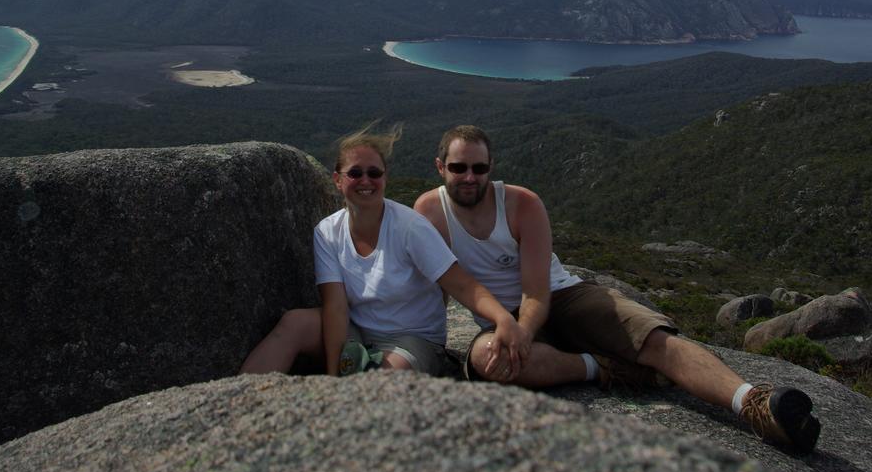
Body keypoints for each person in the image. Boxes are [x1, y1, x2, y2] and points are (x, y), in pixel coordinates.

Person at [414, 125, 822, 453]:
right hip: (502, 317)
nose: (469, 178)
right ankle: (604, 367)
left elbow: (537, 290)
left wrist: (522, 330)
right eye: (459, 168)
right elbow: (440, 284)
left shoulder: (522, 205)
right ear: (440, 167)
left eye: (479, 168)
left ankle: (754, 403)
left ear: (491, 167)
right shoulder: (429, 211)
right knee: (488, 360)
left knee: (651, 335)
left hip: (561, 297)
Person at [241, 123, 530, 377]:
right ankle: (237, 401)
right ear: (337, 180)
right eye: (355, 173)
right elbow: (336, 307)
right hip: (356, 331)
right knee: (294, 323)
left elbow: (461, 284)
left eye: (374, 173)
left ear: (385, 177)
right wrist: (332, 376)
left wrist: (503, 318)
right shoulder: (328, 232)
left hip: (413, 339)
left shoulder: (409, 227)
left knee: (382, 382)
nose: (366, 181)